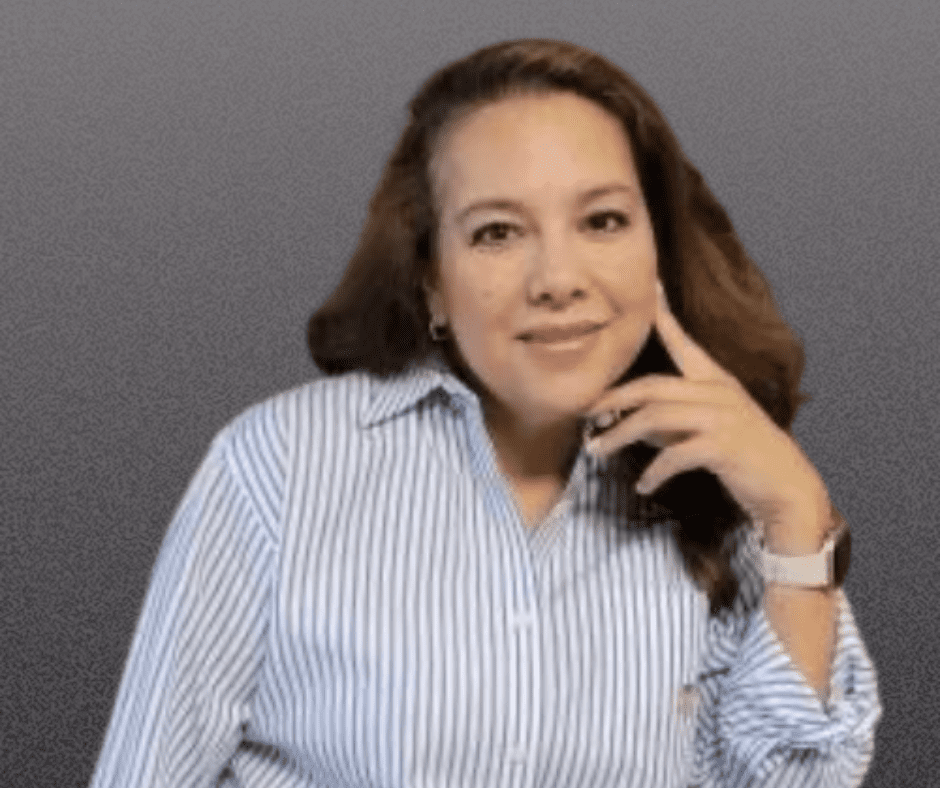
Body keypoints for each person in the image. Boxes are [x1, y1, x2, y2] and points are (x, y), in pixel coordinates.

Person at [89, 39, 881, 787]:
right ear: (430, 280)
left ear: (658, 252)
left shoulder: (729, 488)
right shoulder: (281, 463)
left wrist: (795, 523)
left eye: (602, 220)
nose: (559, 278)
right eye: (498, 233)